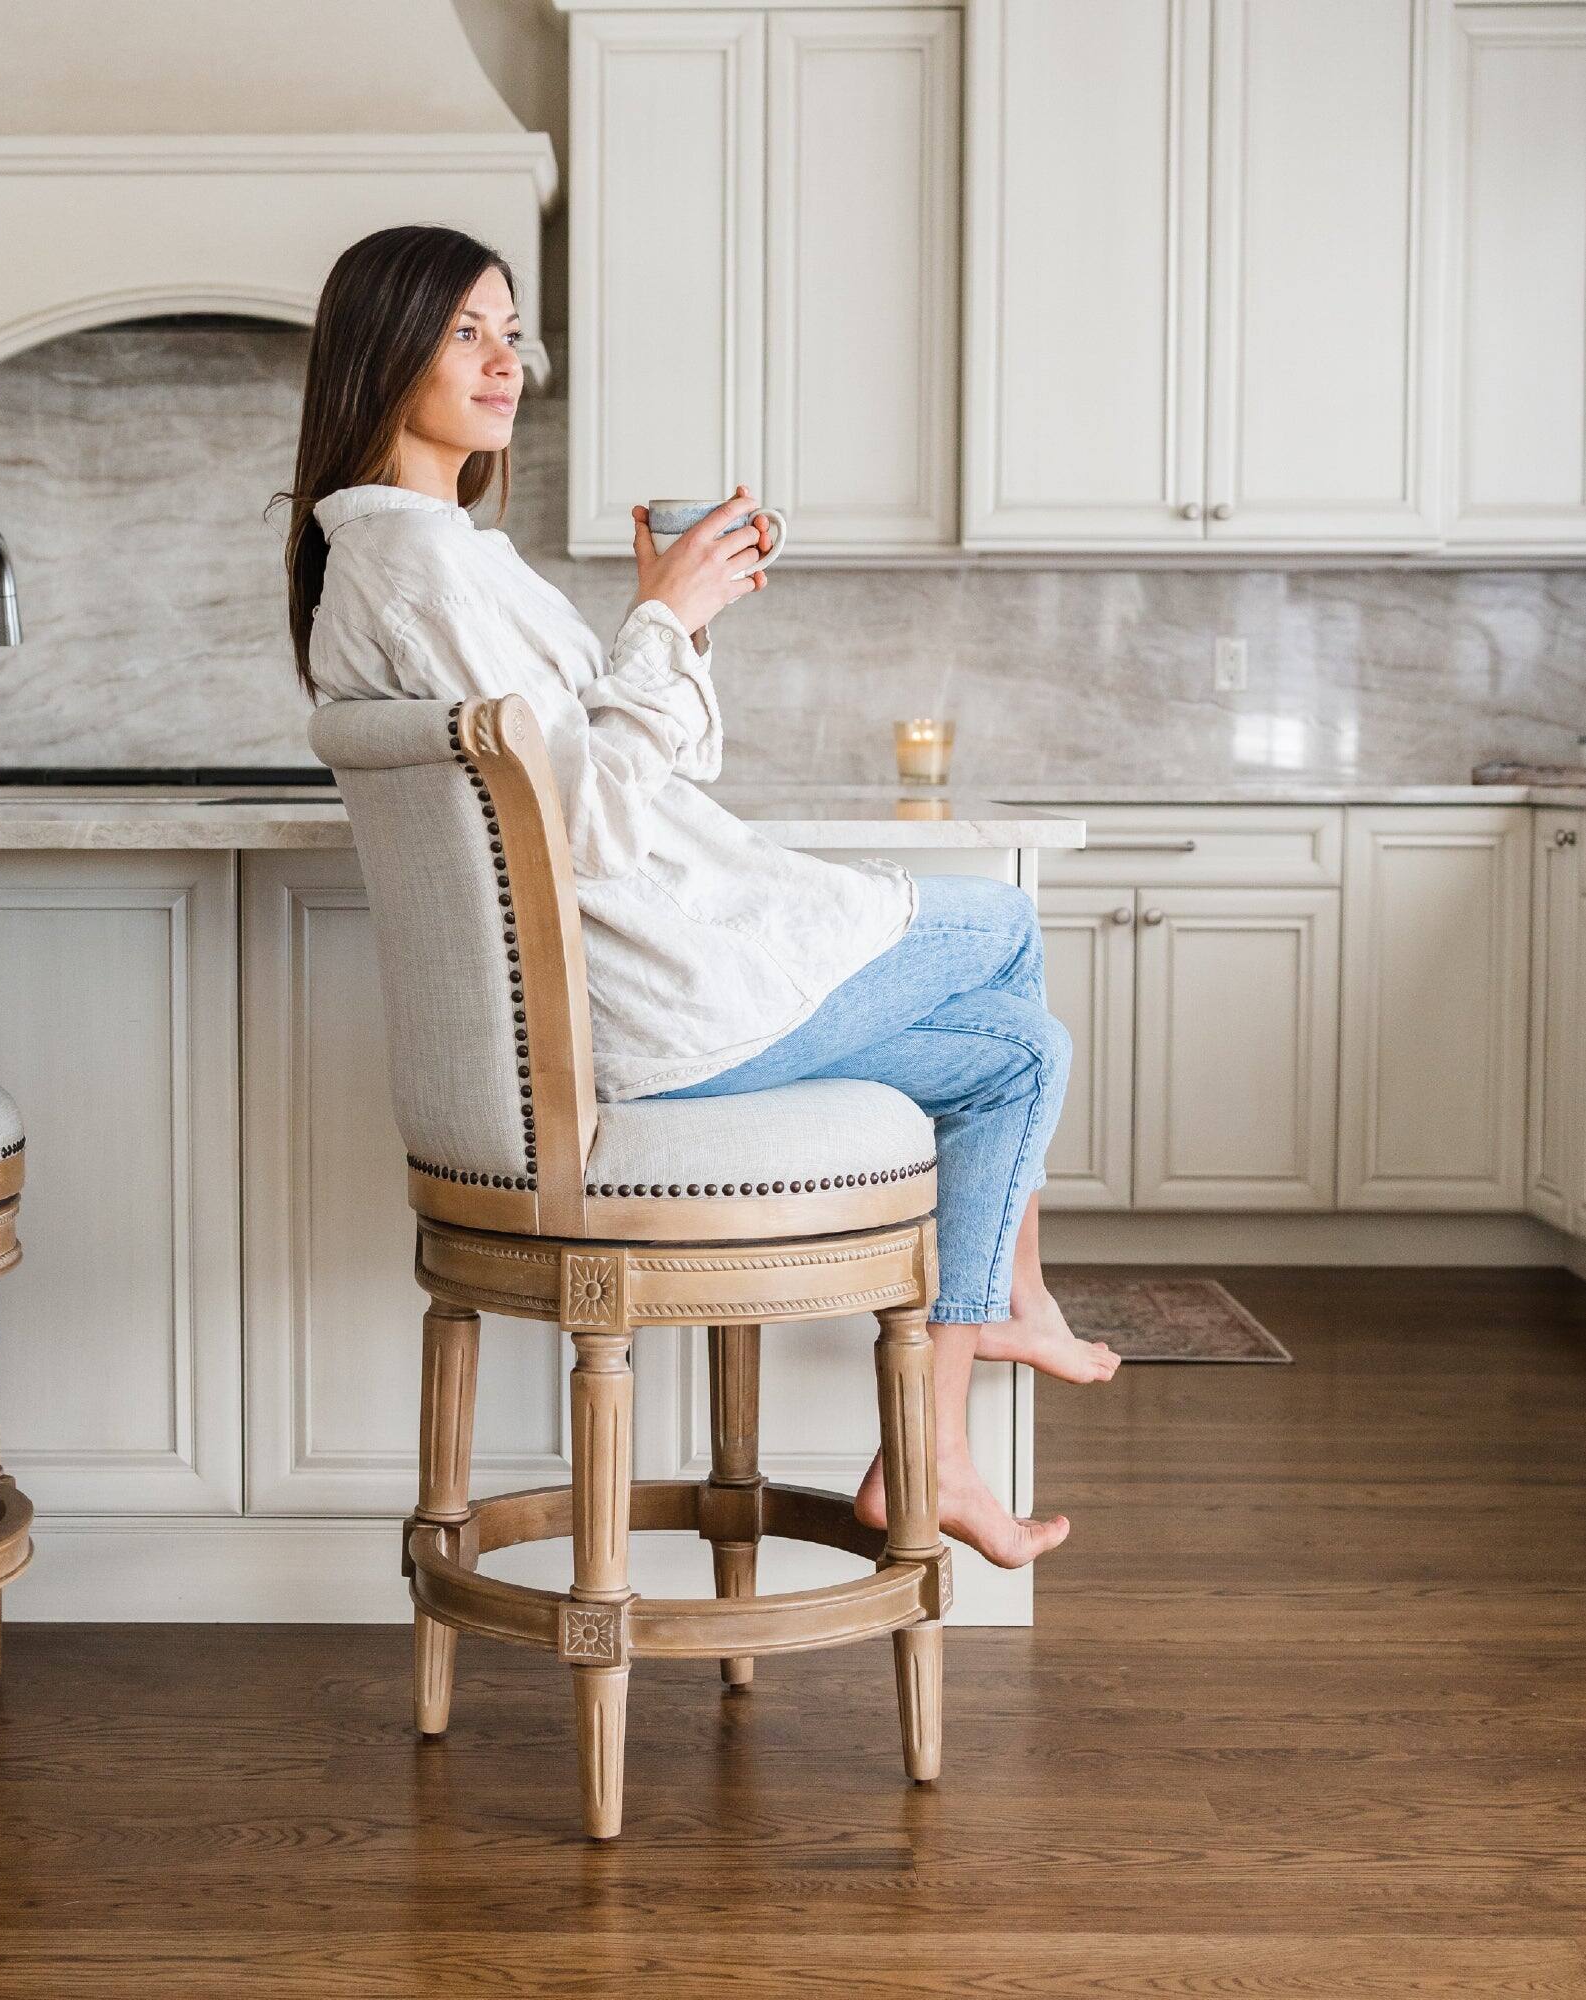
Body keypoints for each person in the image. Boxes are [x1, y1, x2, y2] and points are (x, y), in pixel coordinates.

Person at [276, 224, 1117, 1570]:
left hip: (633, 985)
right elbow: (592, 834)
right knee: (1003, 925)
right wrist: (657, 624)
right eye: (466, 334)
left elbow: (633, 767)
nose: (506, 363)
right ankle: (1000, 1306)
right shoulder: (417, 565)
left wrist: (679, 621)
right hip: (640, 1004)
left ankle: (942, 1444)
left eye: (511, 333)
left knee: (1023, 1053)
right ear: (384, 356)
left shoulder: (436, 553)